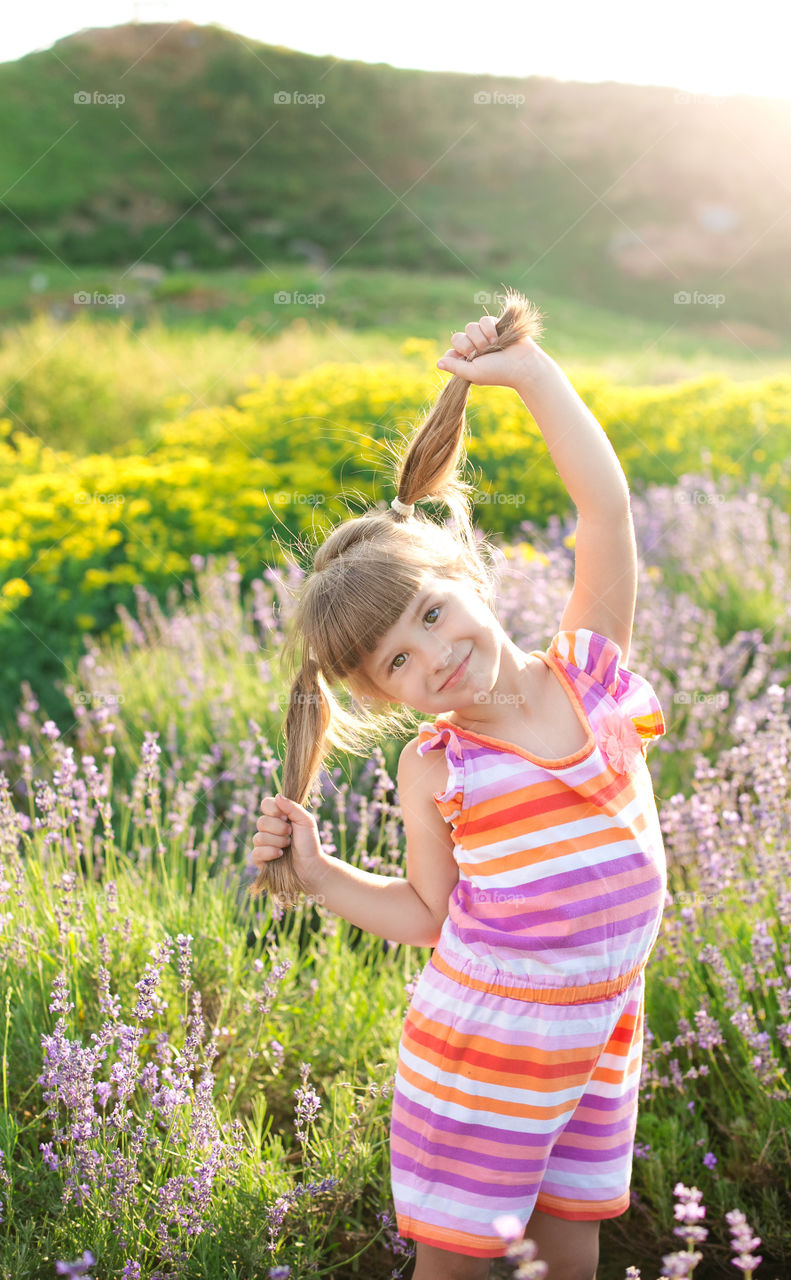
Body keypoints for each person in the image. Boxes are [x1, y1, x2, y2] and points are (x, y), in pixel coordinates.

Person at [250, 291, 668, 1280]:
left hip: (600, 1026)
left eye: (435, 612)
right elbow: (433, 911)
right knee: (460, 1258)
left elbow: (603, 507)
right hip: (483, 1051)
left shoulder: (588, 670)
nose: (434, 654)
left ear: (468, 574)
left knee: (573, 1241)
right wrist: (321, 875)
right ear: (374, 692)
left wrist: (530, 375)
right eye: (397, 660)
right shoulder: (438, 766)